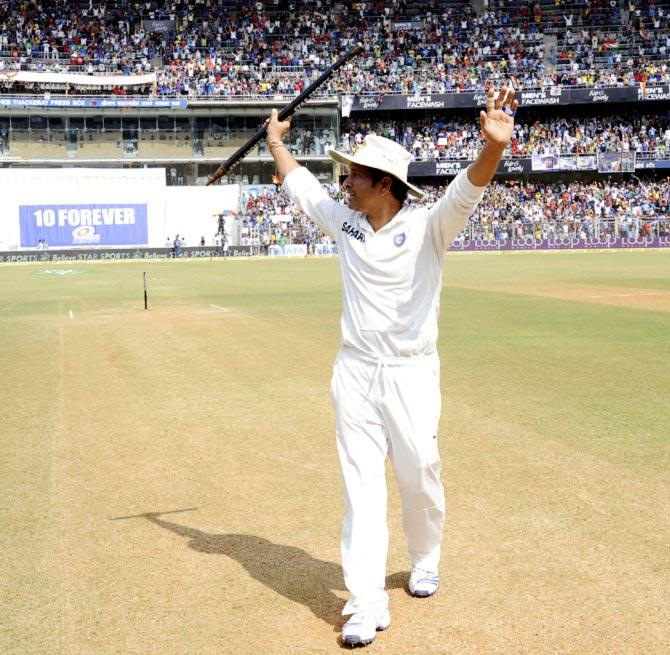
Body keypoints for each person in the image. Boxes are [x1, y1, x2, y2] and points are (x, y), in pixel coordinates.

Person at [265, 86, 519, 648]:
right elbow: (302, 185)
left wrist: (494, 148)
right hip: (354, 371)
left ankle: (425, 558)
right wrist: (275, 142)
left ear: (384, 184)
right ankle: (365, 602)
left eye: (354, 175)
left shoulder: (430, 226)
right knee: (360, 488)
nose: (343, 182)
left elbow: (467, 191)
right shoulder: (343, 220)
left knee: (419, 472)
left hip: (411, 373)